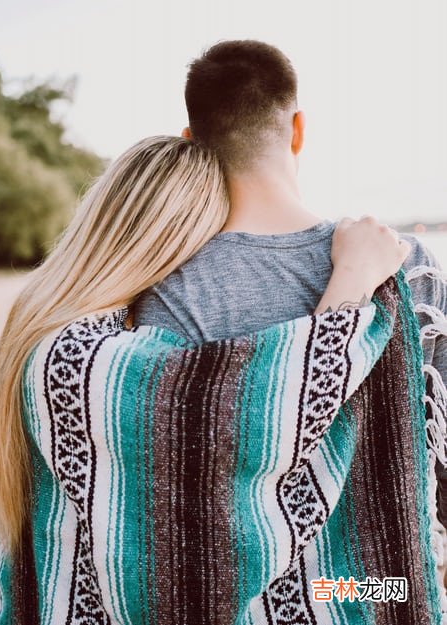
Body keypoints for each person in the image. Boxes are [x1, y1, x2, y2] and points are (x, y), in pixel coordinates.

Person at [0, 133, 412, 623]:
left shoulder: (48, 330)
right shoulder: (81, 359)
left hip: (47, 595)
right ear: (174, 236)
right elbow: (259, 414)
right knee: (384, 587)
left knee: (383, 585)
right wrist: (353, 276)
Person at [131, 39, 447, 558]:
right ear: (298, 129)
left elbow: (175, 480)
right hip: (374, 586)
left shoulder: (165, 288)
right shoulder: (407, 263)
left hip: (242, 588)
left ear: (191, 141)